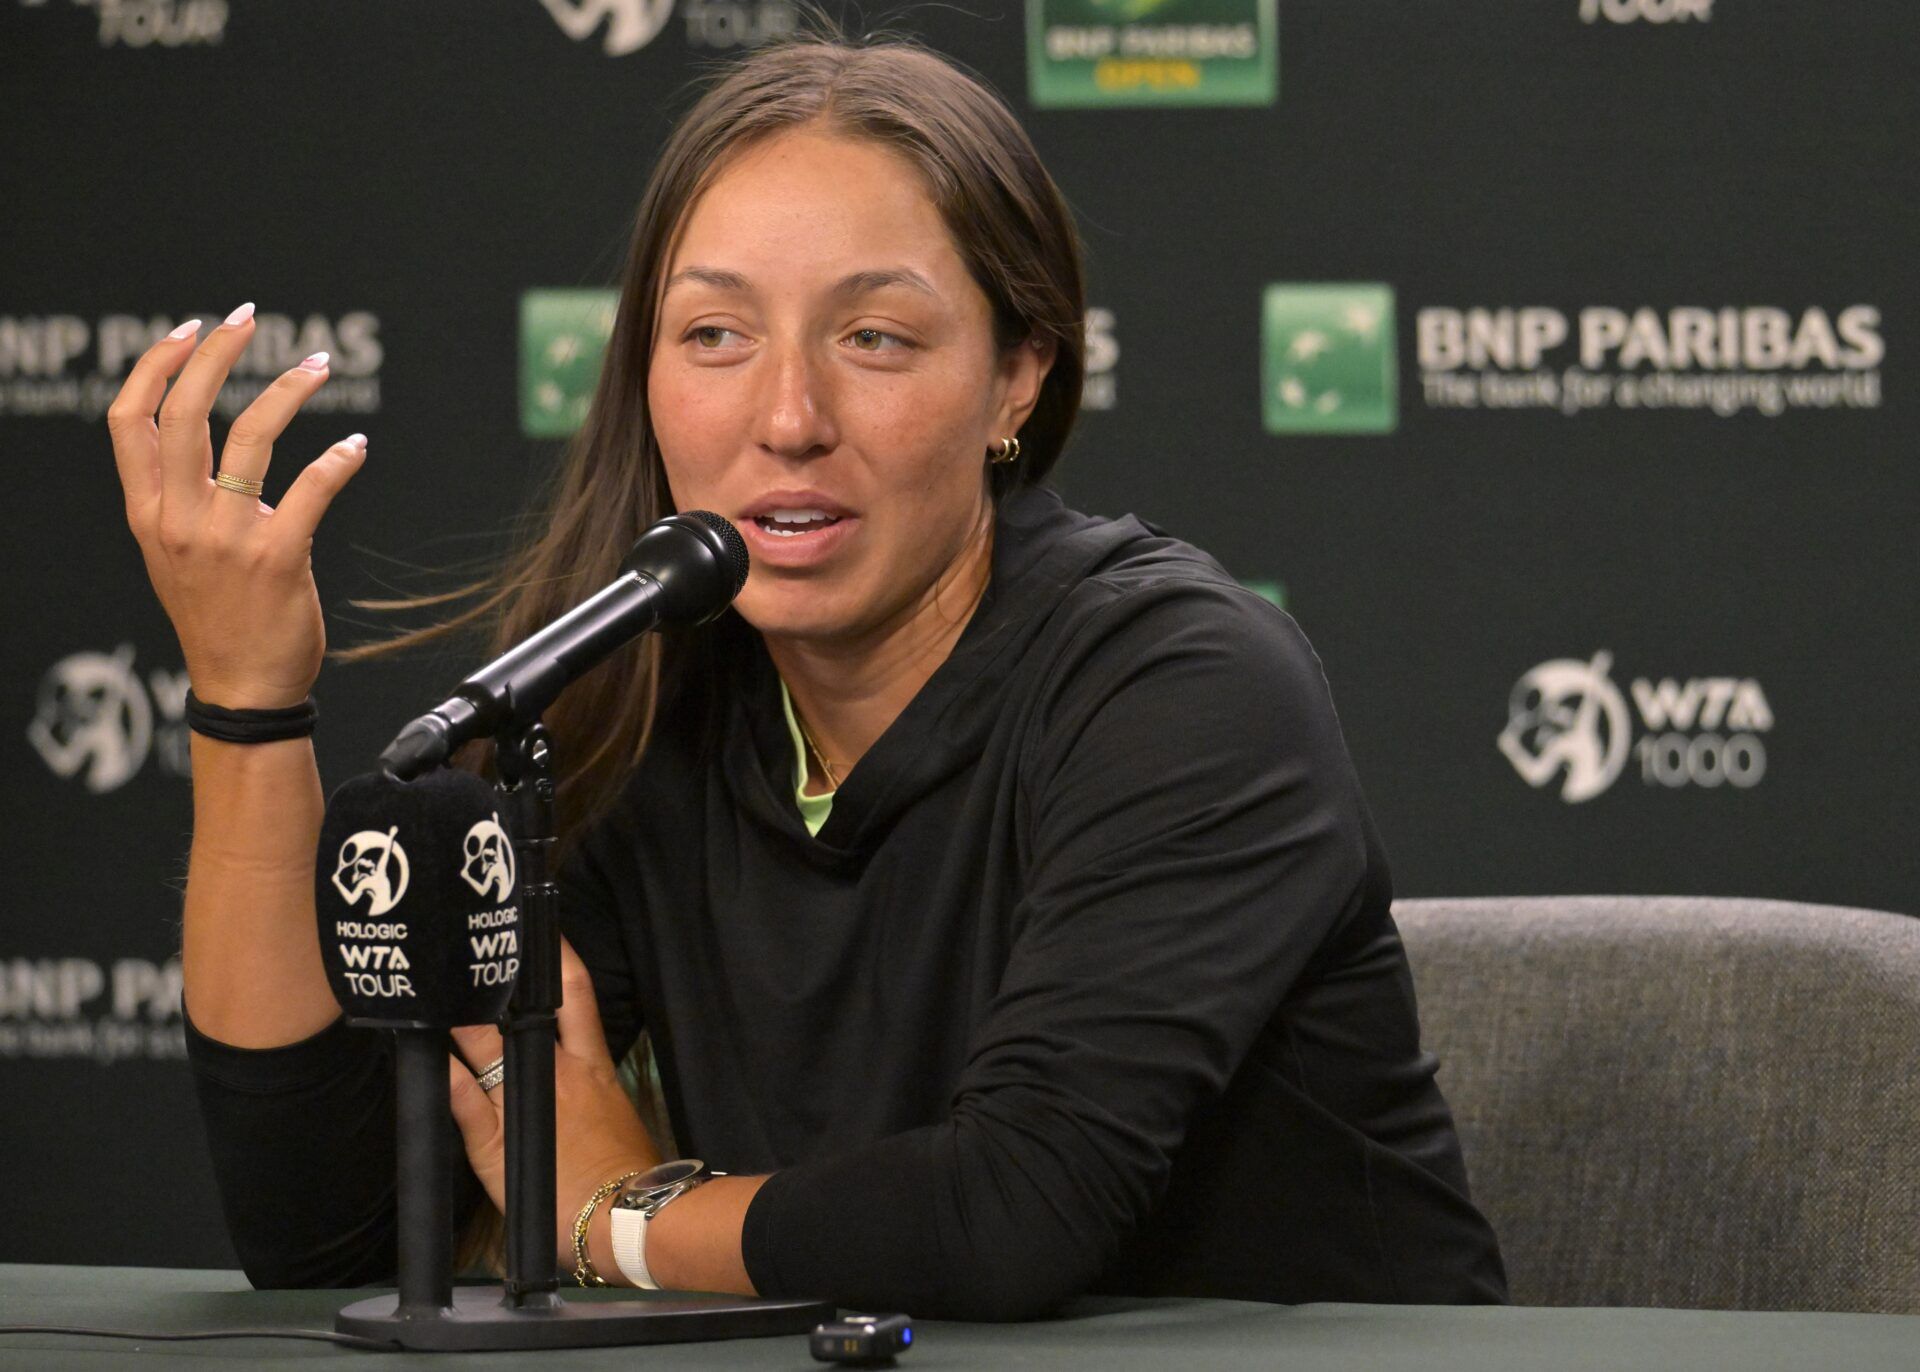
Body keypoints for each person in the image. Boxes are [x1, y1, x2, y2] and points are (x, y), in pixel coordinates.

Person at [108, 34, 1506, 1319]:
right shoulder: (647, 708)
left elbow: (1012, 1215)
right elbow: (335, 1239)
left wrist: (619, 1216)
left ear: (1018, 376)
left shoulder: (1185, 685)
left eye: (874, 337)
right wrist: (246, 702)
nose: (787, 418)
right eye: (716, 335)